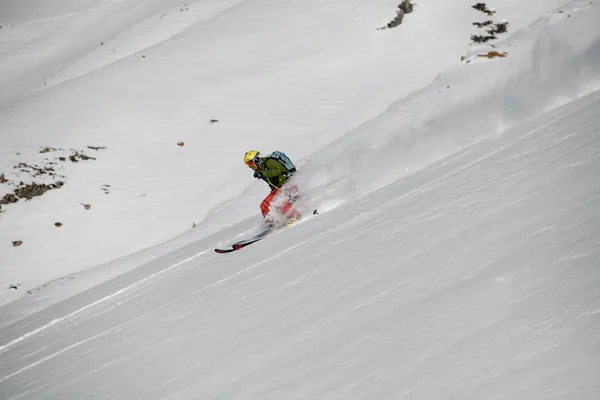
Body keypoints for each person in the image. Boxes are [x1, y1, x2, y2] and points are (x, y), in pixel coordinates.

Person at [244, 150, 301, 227]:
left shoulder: (269, 162)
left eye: (250, 163)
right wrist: (261, 174)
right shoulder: (261, 169)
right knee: (264, 205)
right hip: (278, 189)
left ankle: (295, 217)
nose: (250, 166)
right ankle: (273, 224)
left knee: (280, 203)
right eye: (248, 164)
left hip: (288, 184)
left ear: (256, 159)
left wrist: (263, 174)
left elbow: (277, 171)